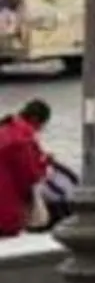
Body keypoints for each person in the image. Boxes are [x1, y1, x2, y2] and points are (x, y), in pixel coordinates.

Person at [0, 101, 50, 238]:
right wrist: (45, 163)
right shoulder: (22, 139)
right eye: (42, 126)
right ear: (35, 120)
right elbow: (30, 175)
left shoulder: (5, 128)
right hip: (6, 209)